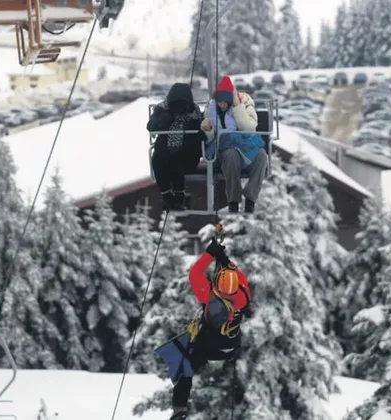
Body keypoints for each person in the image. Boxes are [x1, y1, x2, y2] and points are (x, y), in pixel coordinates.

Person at [155, 238, 251, 420]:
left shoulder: (207, 294)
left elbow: (195, 272)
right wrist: (225, 261)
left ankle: (179, 409)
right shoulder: (242, 298)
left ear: (217, 283)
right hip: (229, 348)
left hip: (206, 347)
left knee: (184, 366)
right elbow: (241, 279)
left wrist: (210, 254)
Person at [201, 75, 268, 213]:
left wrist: (237, 107)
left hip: (246, 144)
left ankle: (250, 199)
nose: (223, 105)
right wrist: (207, 130)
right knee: (231, 155)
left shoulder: (246, 106)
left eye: (226, 102)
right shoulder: (212, 112)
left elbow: (248, 128)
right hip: (226, 148)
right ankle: (234, 200)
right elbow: (210, 139)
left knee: (261, 155)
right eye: (220, 102)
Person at [147, 83, 206, 211]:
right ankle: (168, 196)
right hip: (164, 153)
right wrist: (167, 117)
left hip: (187, 154)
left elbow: (200, 134)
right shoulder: (162, 110)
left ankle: (178, 197)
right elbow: (151, 126)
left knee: (172, 160)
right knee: (159, 159)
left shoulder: (194, 114)